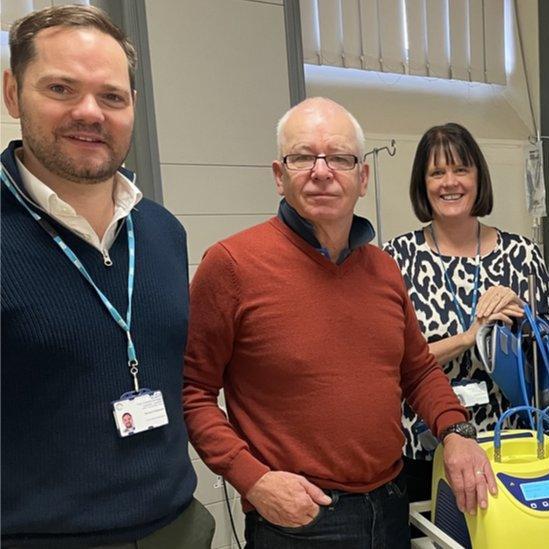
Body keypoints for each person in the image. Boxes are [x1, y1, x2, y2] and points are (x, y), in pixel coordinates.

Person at [182, 98, 497, 548]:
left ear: (362, 177)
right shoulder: (232, 266)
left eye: (341, 158)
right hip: (299, 521)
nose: (322, 171)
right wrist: (253, 480)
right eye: (303, 156)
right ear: (279, 174)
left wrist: (457, 431)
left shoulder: (383, 270)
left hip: (390, 506)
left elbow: (419, 370)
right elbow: (191, 392)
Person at [0, 5, 213, 547]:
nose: (90, 112)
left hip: (176, 527)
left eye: (112, 96)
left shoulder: (163, 232)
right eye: (61, 89)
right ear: (12, 92)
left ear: (133, 107)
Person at [383, 122, 549, 504]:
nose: (450, 182)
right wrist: (469, 337)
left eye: (461, 169)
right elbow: (388, 362)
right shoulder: (394, 260)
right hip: (424, 448)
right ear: (423, 184)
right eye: (437, 172)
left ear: (479, 176)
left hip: (509, 443)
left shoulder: (522, 256)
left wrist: (523, 314)